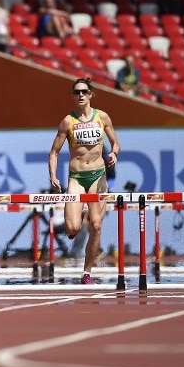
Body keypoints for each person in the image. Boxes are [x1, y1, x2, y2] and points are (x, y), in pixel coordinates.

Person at [48, 78, 120, 285]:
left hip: (98, 175)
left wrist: (114, 154)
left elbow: (116, 143)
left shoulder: (102, 117)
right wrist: (53, 176)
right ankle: (75, 225)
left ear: (90, 94)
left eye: (84, 92)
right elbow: (54, 152)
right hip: (77, 178)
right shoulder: (68, 122)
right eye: (76, 92)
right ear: (73, 96)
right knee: (72, 228)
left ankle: (86, 272)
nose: (80, 95)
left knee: (96, 225)